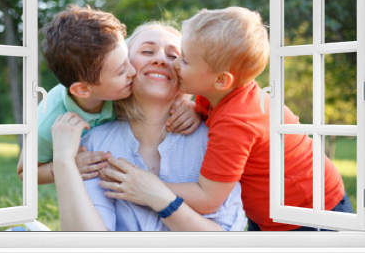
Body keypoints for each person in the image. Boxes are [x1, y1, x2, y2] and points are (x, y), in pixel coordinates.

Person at [162, 7, 352, 231]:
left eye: (185, 61)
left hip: (310, 215)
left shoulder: (236, 121)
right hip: (275, 212)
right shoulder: (219, 96)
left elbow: (208, 198)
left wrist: (152, 187)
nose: (175, 64)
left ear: (221, 80)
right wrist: (194, 108)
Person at [51, 22, 246, 231]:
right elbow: (88, 244)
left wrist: (160, 198)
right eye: (147, 51)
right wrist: (63, 162)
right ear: (123, 64)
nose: (161, 59)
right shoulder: (95, 145)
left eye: (174, 56)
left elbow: (227, 242)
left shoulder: (215, 142)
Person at [17, 6, 199, 184]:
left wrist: (190, 105)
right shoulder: (50, 120)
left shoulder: (117, 89)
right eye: (121, 71)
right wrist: (66, 167)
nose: (132, 71)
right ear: (83, 90)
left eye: (127, 59)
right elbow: (25, 172)